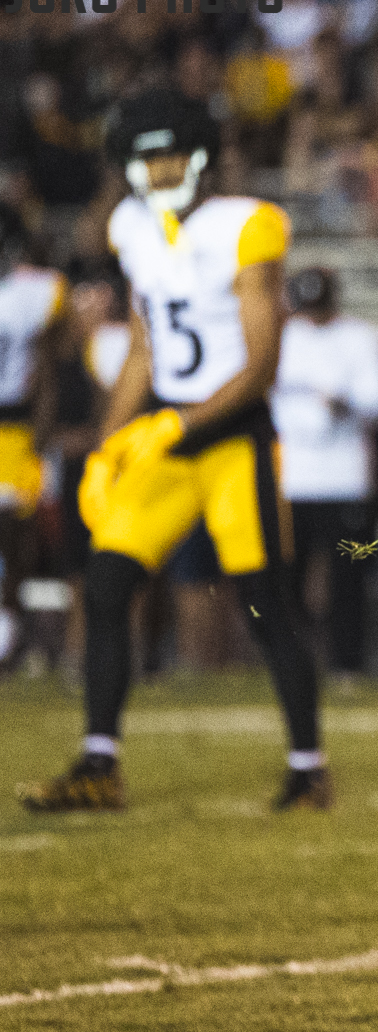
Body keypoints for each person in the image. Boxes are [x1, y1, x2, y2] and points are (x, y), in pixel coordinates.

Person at [20, 93, 327, 813]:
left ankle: (308, 766)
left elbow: (259, 366)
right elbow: (143, 345)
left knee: (263, 604)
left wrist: (175, 427)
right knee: (104, 582)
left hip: (231, 438)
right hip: (169, 433)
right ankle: (100, 762)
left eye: (168, 155)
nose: (157, 171)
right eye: (144, 157)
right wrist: (107, 443)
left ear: (199, 157)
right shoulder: (132, 225)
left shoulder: (248, 225)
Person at [271, 267, 378, 678]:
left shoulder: (358, 336)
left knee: (348, 576)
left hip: (344, 475)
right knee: (289, 575)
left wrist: (345, 404)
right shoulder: (282, 337)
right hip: (294, 474)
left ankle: (347, 663)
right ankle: (293, 660)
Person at [0, 203, 66, 668]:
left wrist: (42, 430)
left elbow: (45, 369)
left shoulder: (36, 290)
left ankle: (9, 628)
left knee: (14, 534)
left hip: (15, 424)